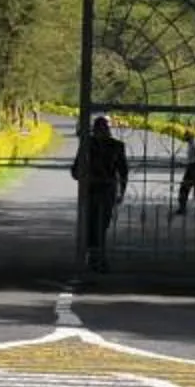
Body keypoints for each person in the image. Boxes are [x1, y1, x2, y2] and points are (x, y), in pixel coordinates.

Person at [72, 114, 129, 271]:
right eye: (99, 128)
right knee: (93, 225)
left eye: (102, 128)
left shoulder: (115, 146)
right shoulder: (88, 145)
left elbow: (123, 172)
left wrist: (121, 192)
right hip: (94, 190)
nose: (101, 132)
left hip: (104, 190)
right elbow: (76, 170)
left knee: (100, 225)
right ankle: (95, 257)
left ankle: (96, 257)